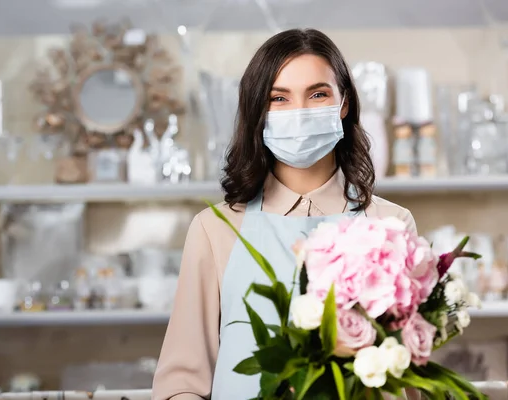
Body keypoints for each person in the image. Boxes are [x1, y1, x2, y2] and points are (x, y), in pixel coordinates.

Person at [153, 28, 420, 400]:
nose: (300, 112)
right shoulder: (215, 229)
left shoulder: (389, 225)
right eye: (279, 98)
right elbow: (181, 382)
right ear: (258, 113)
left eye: (317, 94)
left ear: (343, 104)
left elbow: (406, 380)